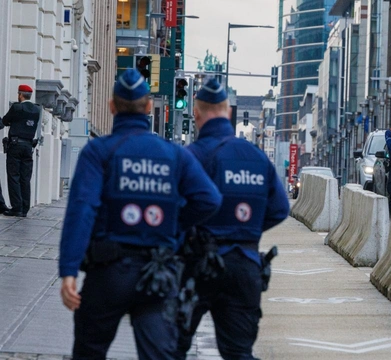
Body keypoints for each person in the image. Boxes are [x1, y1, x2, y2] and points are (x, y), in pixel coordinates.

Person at [58, 69, 223, 359]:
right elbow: (209, 199)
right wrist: (174, 225)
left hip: (107, 271)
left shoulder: (100, 151)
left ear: (112, 106)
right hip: (158, 273)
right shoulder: (175, 154)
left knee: (89, 350)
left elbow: (81, 209)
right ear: (149, 108)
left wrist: (69, 270)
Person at [176, 78, 290, 359]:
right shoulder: (256, 157)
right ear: (228, 113)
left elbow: (174, 211)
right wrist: (246, 229)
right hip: (245, 266)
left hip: (197, 266)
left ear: (197, 114)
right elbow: (280, 208)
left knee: (171, 347)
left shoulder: (190, 156)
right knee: (239, 352)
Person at [1, 84, 42, 217]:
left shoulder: (17, 107)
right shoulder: (37, 109)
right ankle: (25, 208)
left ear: (20, 95)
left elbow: (5, 121)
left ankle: (16, 207)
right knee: (25, 177)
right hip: (28, 147)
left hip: (15, 145)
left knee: (14, 176)